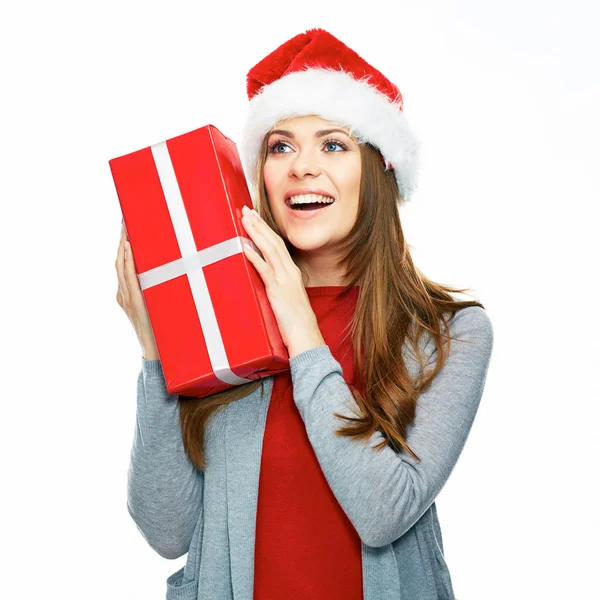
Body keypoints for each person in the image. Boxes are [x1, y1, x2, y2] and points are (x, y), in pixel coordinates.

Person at [116, 28, 494, 600]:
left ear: (379, 169)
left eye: (334, 145)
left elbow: (383, 511)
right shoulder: (223, 319)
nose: (302, 167)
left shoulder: (448, 334)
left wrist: (301, 329)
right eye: (281, 146)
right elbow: (167, 529)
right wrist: (155, 354)